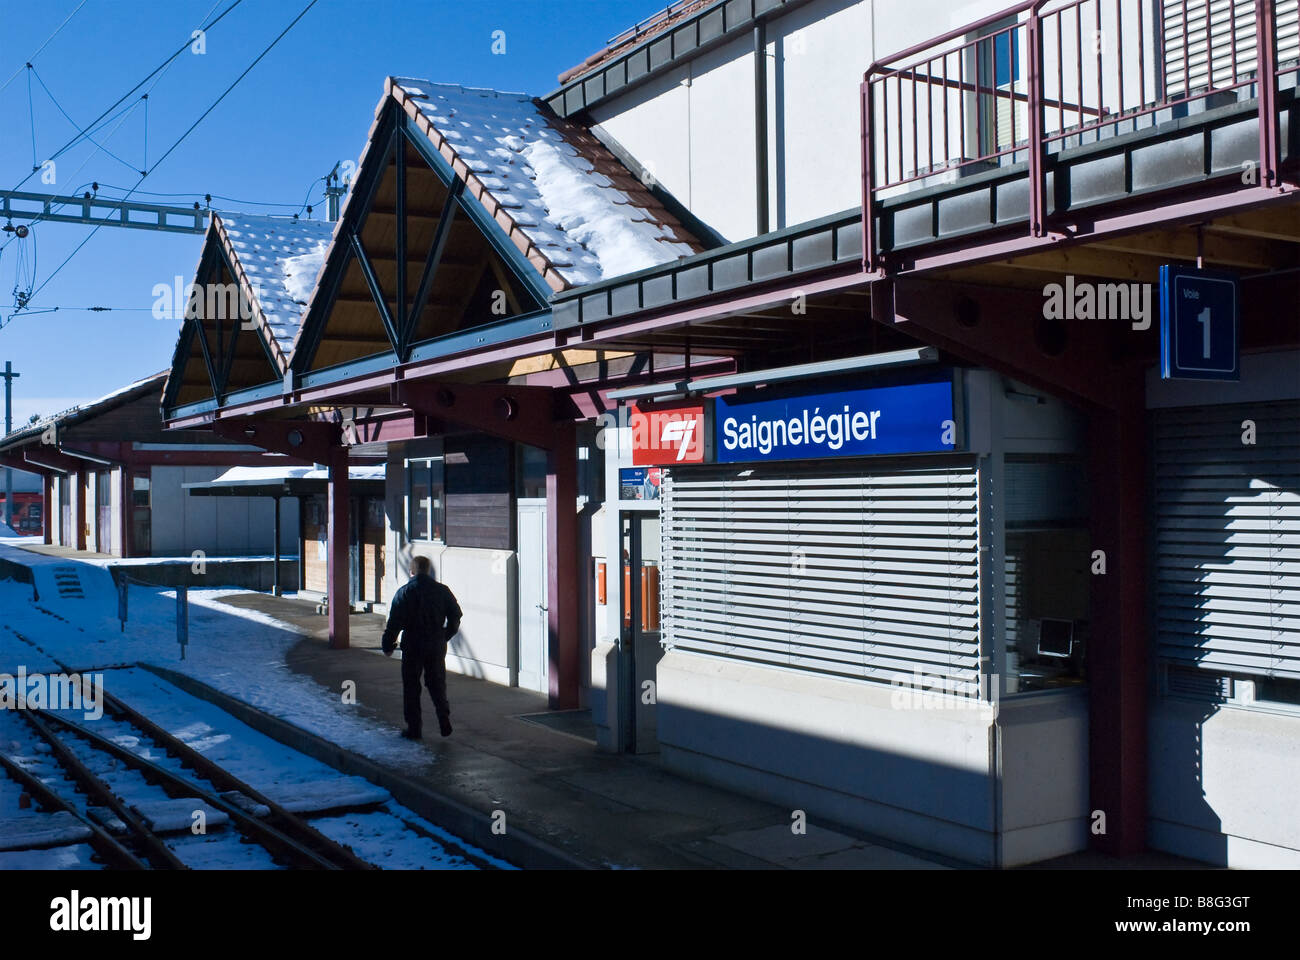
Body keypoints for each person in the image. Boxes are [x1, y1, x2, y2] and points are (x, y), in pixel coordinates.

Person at [381, 555, 463, 739]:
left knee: (411, 686)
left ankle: (414, 728)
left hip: (413, 644)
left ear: (412, 571)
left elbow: (394, 623)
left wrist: (388, 644)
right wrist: (445, 636)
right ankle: (443, 719)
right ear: (428, 570)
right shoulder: (442, 591)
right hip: (435, 644)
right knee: (437, 683)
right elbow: (456, 616)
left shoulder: (404, 592)